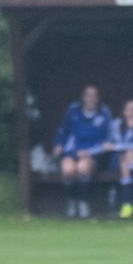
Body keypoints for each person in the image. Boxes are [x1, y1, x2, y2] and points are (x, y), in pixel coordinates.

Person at [51, 85, 111, 218]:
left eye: (94, 95)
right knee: (68, 169)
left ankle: (83, 201)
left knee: (82, 167)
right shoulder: (73, 111)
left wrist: (92, 151)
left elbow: (107, 140)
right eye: (88, 95)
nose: (91, 98)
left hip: (93, 154)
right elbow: (63, 131)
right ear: (83, 97)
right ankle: (72, 201)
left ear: (97, 98)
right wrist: (58, 145)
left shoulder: (104, 113)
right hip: (72, 151)